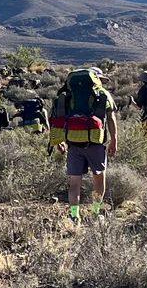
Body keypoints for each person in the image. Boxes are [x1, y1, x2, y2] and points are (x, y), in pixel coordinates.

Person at [48, 66, 118, 222]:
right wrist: (114, 140)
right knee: (99, 178)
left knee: (74, 183)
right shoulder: (103, 95)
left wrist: (58, 141)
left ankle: (74, 215)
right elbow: (111, 119)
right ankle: (95, 212)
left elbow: (57, 118)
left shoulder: (67, 96)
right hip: (96, 144)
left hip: (73, 144)